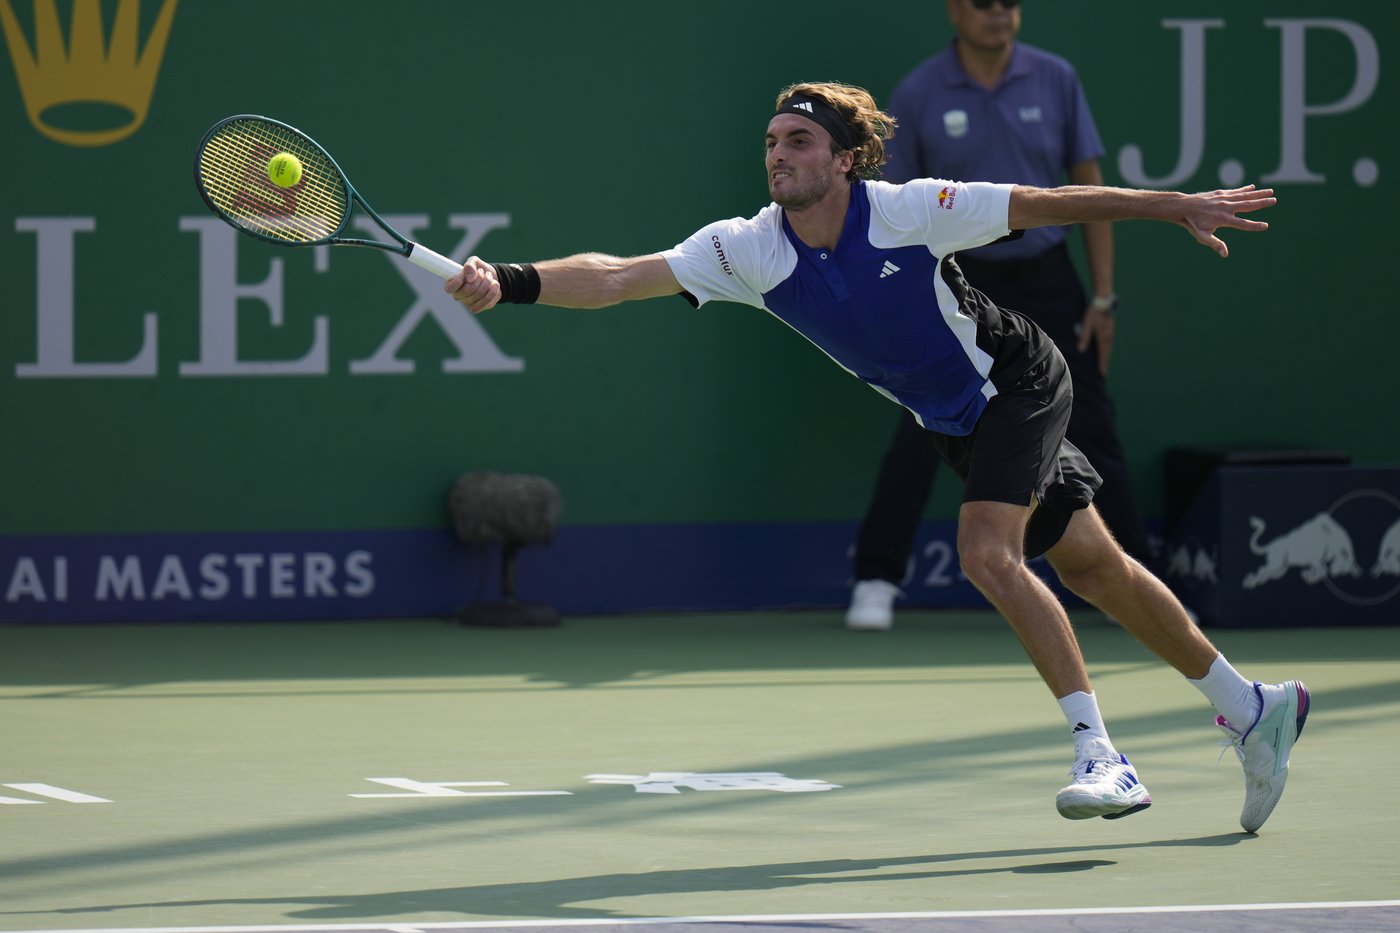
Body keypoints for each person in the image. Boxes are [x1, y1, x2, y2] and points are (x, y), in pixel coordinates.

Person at [444, 81, 1307, 831]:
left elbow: (1051, 202)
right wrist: (510, 280)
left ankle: (1102, 755)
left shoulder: (908, 210)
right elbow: (617, 275)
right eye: (772, 142)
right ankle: (1252, 707)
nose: (779, 156)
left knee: (985, 553)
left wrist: (1173, 205)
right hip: (954, 420)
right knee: (1095, 568)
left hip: (1017, 381)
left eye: (800, 141)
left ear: (846, 158)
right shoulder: (746, 248)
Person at [847, 0, 1149, 632]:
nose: (999, 14)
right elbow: (890, 213)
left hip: (1048, 279)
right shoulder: (921, 90)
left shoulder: (1055, 77)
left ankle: (1134, 577)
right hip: (956, 282)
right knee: (923, 427)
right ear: (956, 11)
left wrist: (1103, 296)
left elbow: (1085, 188)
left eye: (1009, 3)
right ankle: (877, 577)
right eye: (984, 4)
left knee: (1092, 418)